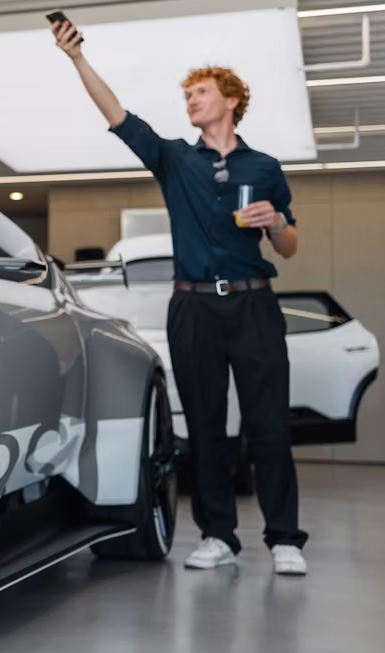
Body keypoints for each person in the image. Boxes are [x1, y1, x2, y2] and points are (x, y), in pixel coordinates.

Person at [52, 20, 308, 575]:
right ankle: (218, 536)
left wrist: (276, 221)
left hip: (254, 303)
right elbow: (117, 115)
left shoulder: (264, 168)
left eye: (201, 92)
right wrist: (77, 59)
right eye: (186, 94)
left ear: (232, 100)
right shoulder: (175, 159)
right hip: (192, 307)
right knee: (205, 425)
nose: (190, 100)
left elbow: (288, 247)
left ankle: (285, 538)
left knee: (269, 425)